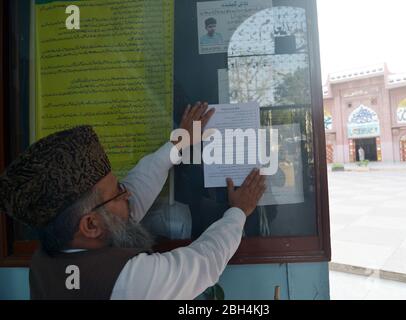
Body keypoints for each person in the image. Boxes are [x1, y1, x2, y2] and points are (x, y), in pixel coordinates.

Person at [0, 102, 266, 300]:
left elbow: (131, 199)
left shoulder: (47, 258)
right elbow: (203, 263)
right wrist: (239, 211)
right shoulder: (128, 282)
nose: (127, 193)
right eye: (118, 191)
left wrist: (178, 144)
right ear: (90, 225)